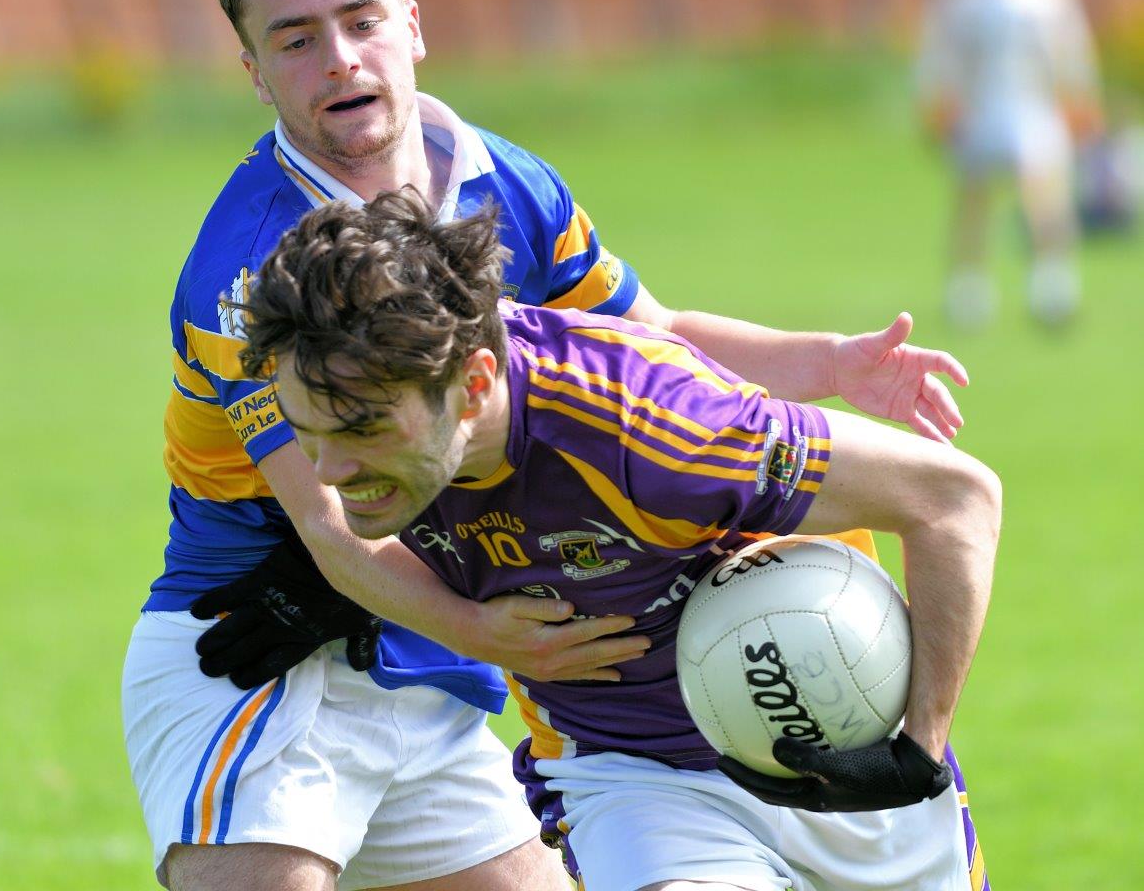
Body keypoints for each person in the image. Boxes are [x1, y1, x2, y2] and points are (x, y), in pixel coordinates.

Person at [122, 0, 973, 890]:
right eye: (296, 37)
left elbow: (651, 343)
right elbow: (332, 524)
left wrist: (827, 364)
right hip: (263, 645)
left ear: (414, 25)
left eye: (361, 20)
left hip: (434, 631)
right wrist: (491, 627)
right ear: (255, 71)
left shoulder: (499, 178)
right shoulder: (255, 271)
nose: (340, 57)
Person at [234, 189, 1001, 891]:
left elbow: (954, 498)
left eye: (364, 430)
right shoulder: (375, 438)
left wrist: (917, 746)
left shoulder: (651, 427)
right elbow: (329, 531)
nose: (329, 472)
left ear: (471, 386)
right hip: (636, 781)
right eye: (309, 434)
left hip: (835, 740)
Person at [917, 0, 1102, 328]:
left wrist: (1080, 98)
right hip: (981, 105)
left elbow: (1071, 46)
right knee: (975, 196)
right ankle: (969, 288)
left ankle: (1052, 285)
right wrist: (941, 104)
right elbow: (940, 53)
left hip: (1033, 104)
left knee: (1044, 194)